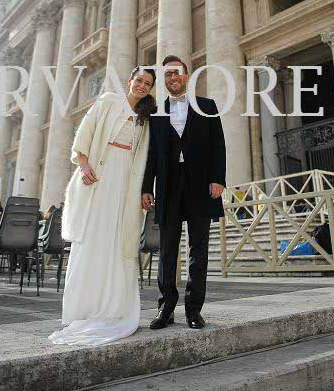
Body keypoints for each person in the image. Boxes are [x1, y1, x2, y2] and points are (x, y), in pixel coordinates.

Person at [49, 66, 156, 346]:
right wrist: (84, 166)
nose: (142, 86)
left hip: (127, 183)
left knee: (118, 239)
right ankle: (84, 308)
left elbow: (146, 157)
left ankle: (115, 307)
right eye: (139, 80)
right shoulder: (108, 100)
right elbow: (85, 133)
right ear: (129, 80)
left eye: (148, 83)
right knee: (93, 237)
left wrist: (145, 190)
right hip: (99, 176)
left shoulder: (146, 117)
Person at [141, 55, 226, 330]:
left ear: (186, 76)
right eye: (168, 75)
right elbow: (151, 154)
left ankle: (194, 310)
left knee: (198, 249)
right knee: (167, 249)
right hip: (168, 185)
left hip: (200, 184)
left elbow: (218, 144)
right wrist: (146, 187)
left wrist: (218, 179)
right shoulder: (155, 113)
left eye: (177, 73)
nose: (173, 78)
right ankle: (165, 309)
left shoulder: (207, 106)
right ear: (164, 81)